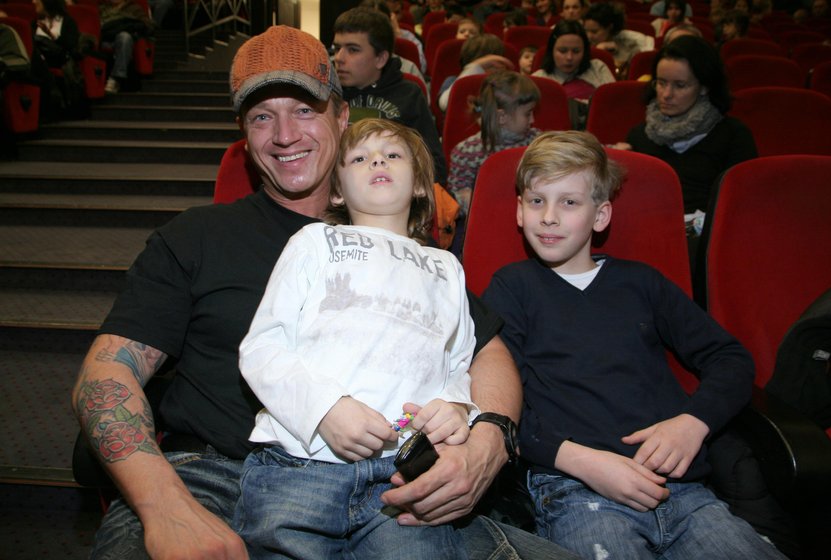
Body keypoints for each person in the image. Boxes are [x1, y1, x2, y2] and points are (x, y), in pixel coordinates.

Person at [71, 24, 576, 560]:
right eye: (262, 117)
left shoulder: (408, 252)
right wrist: (163, 503)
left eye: (304, 110)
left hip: (392, 482)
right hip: (214, 477)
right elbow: (104, 375)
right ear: (244, 135)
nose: (284, 135)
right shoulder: (196, 236)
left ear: (341, 117)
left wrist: (486, 442)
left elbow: (486, 352)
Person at [481, 129, 789, 560]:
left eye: (569, 202)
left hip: (682, 492)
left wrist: (693, 423)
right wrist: (583, 462)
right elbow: (500, 401)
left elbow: (730, 358)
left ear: (600, 215)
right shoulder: (512, 288)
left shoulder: (641, 283)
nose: (549, 217)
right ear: (519, 210)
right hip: (575, 490)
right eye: (536, 201)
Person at [234, 118, 478, 558]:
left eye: (393, 155)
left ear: (419, 185)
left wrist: (456, 406)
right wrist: (325, 408)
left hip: (403, 473)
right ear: (337, 192)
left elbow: (458, 362)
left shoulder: (447, 268)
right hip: (301, 463)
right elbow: (263, 348)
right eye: (361, 158)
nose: (378, 161)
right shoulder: (314, 242)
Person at [620, 36, 757, 221]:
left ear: (704, 87)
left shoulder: (734, 136)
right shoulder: (638, 136)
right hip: (649, 227)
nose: (666, 94)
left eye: (680, 85)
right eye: (661, 82)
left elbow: (743, 205)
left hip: (709, 232)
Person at [333, 7, 447, 185]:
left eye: (353, 50)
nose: (339, 58)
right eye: (337, 48)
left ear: (380, 59)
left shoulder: (409, 95)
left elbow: (435, 166)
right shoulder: (327, 94)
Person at [448, 70, 541, 217]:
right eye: (528, 114)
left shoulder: (538, 143)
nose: (532, 120)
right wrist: (469, 200)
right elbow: (455, 201)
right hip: (486, 219)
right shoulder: (467, 152)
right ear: (502, 117)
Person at [531, 20, 615, 128]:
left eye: (576, 51)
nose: (569, 57)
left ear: (584, 51)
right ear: (552, 51)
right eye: (562, 51)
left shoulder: (597, 68)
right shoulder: (538, 79)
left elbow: (613, 104)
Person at [438, 33, 513, 112]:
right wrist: (475, 67)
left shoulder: (505, 83)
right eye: (487, 64)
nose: (492, 66)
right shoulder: (452, 80)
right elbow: (445, 104)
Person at [583, 2, 654, 78]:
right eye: (586, 31)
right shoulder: (581, 44)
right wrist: (598, 51)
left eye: (594, 32)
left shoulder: (629, 47)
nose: (588, 36)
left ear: (609, 27)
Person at [98, 0, 154, 94]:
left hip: (124, 41)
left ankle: (116, 78)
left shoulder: (134, 8)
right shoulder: (102, 8)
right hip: (105, 39)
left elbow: (148, 25)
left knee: (124, 37)